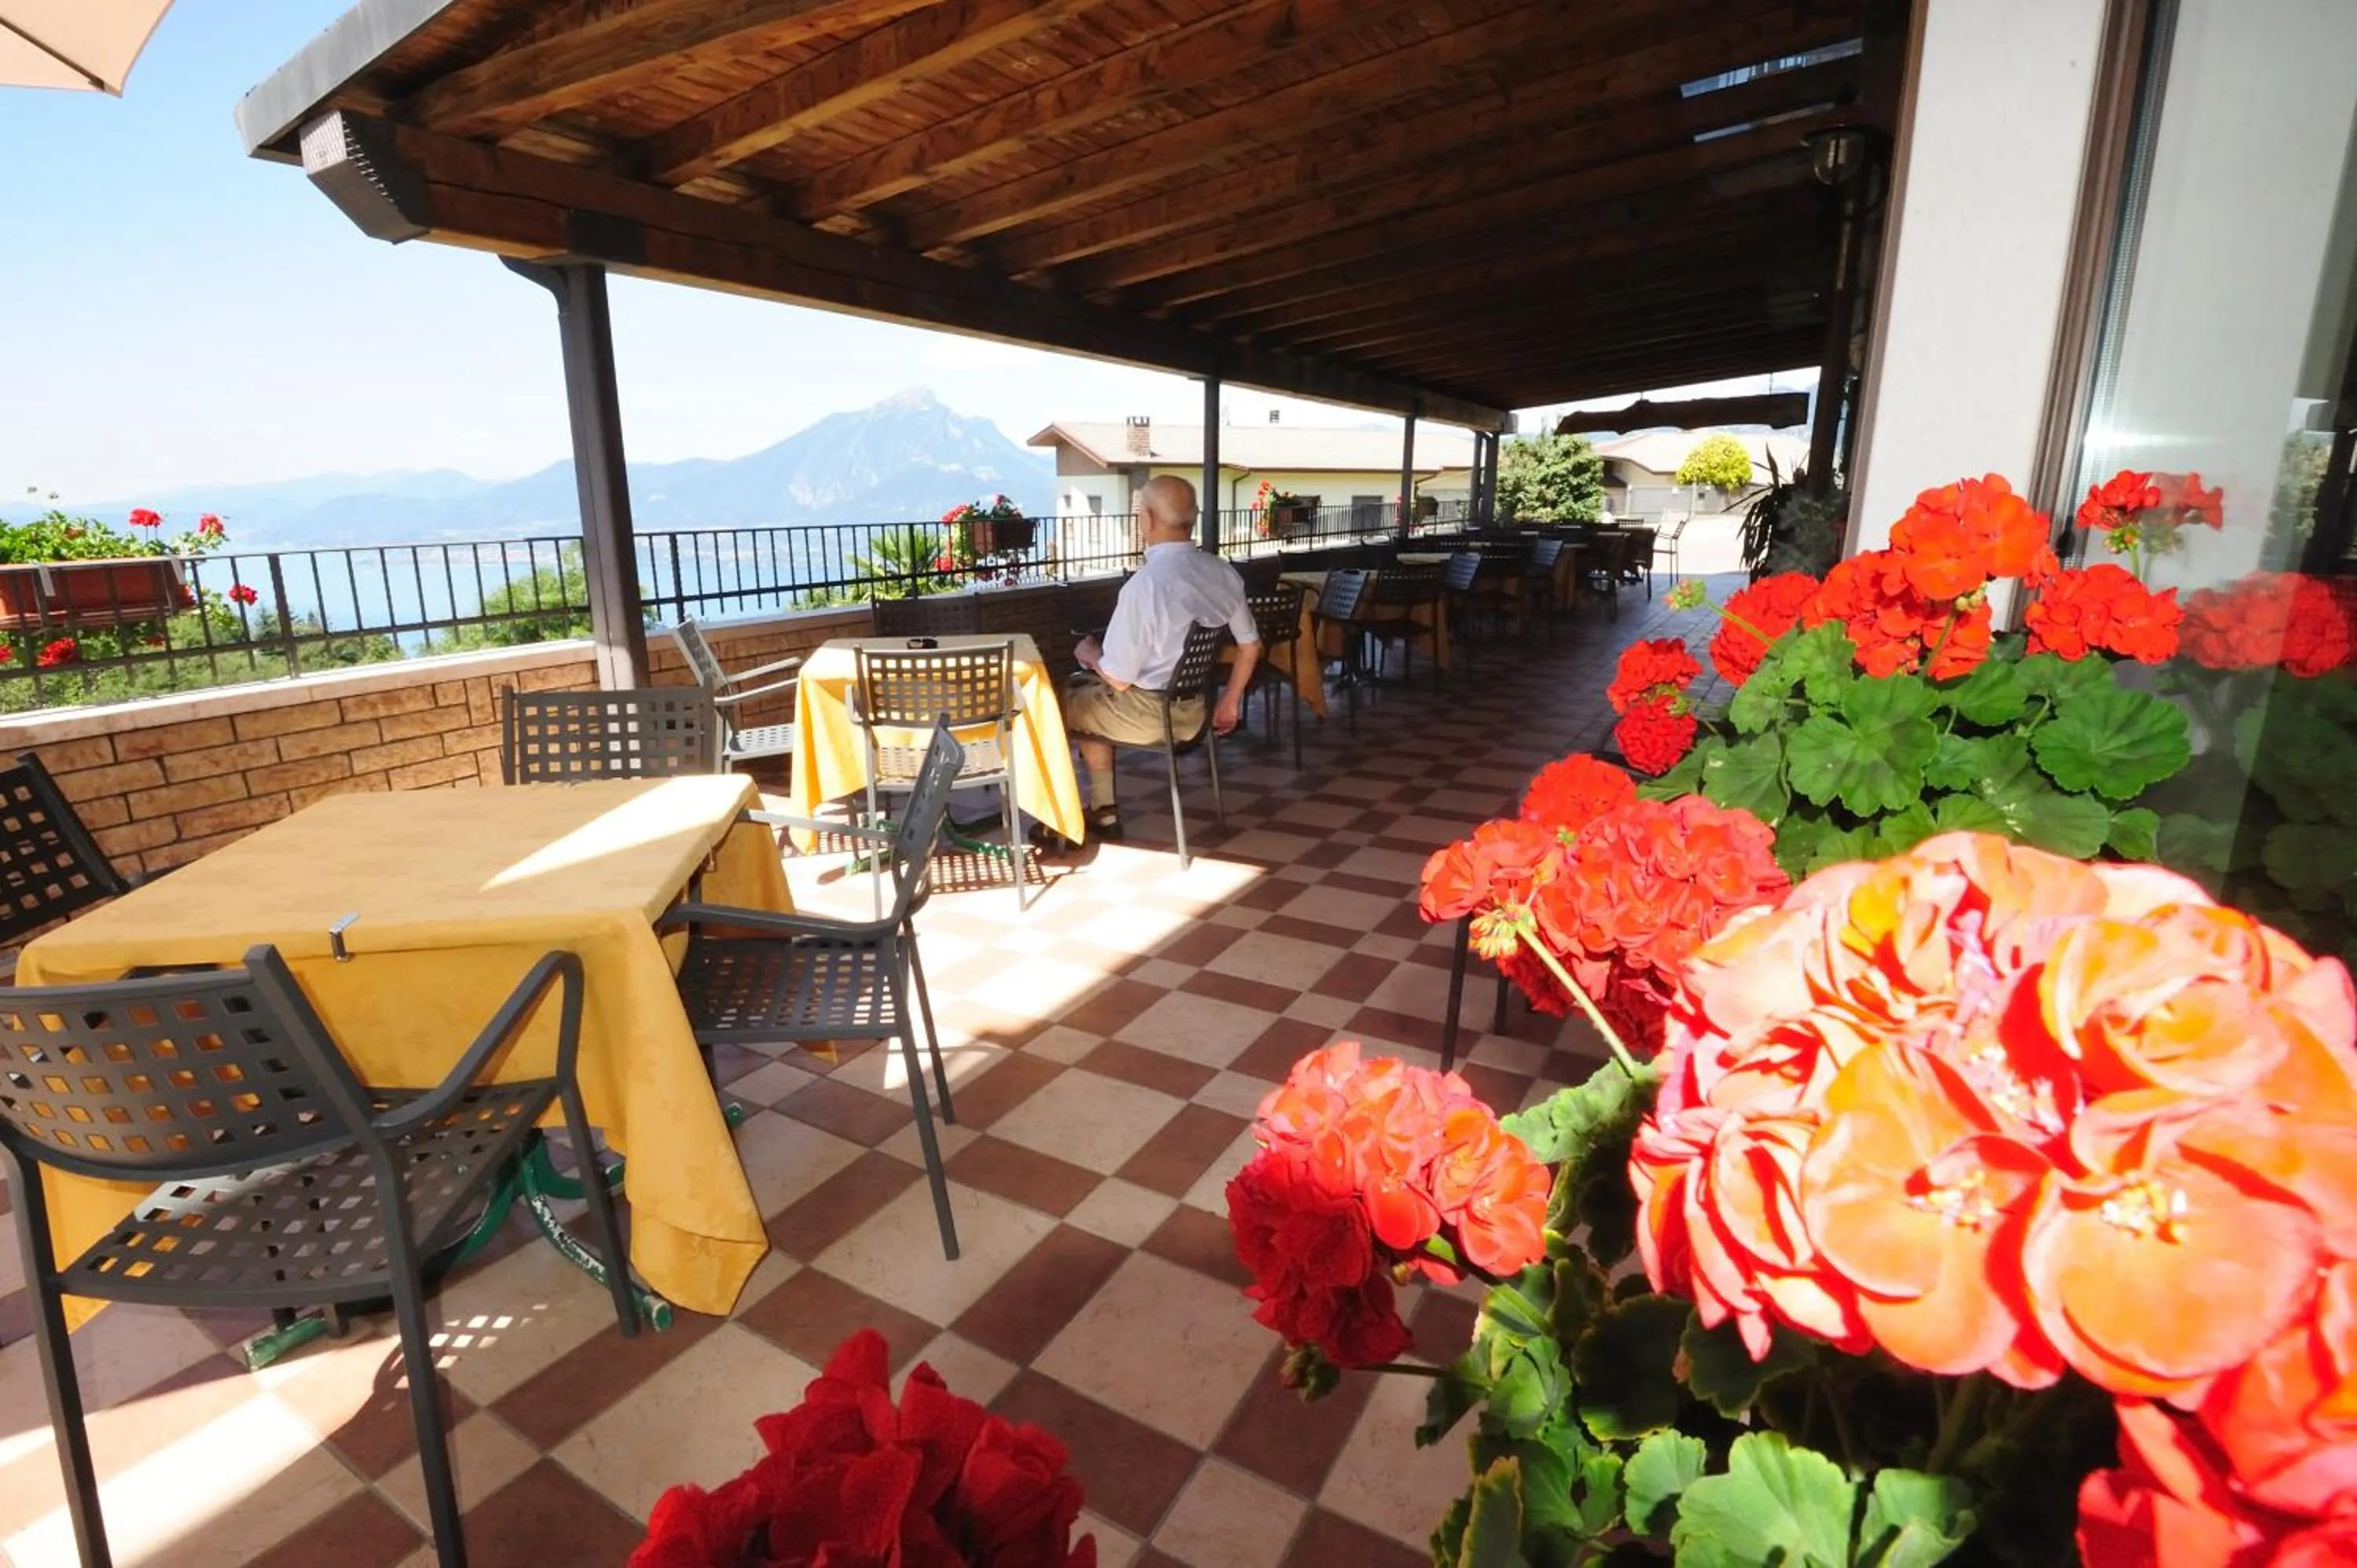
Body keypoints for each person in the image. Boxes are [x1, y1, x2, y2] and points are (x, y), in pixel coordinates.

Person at [1059, 475, 1259, 841]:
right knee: (1087, 696)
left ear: (1147, 519)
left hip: (1149, 717)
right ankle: (1101, 809)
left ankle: (1061, 818)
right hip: (1196, 714)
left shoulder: (1145, 585)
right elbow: (1250, 645)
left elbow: (1119, 679)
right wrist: (1230, 703)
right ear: (1192, 518)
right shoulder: (1222, 572)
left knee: (1059, 703)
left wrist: (1091, 654)